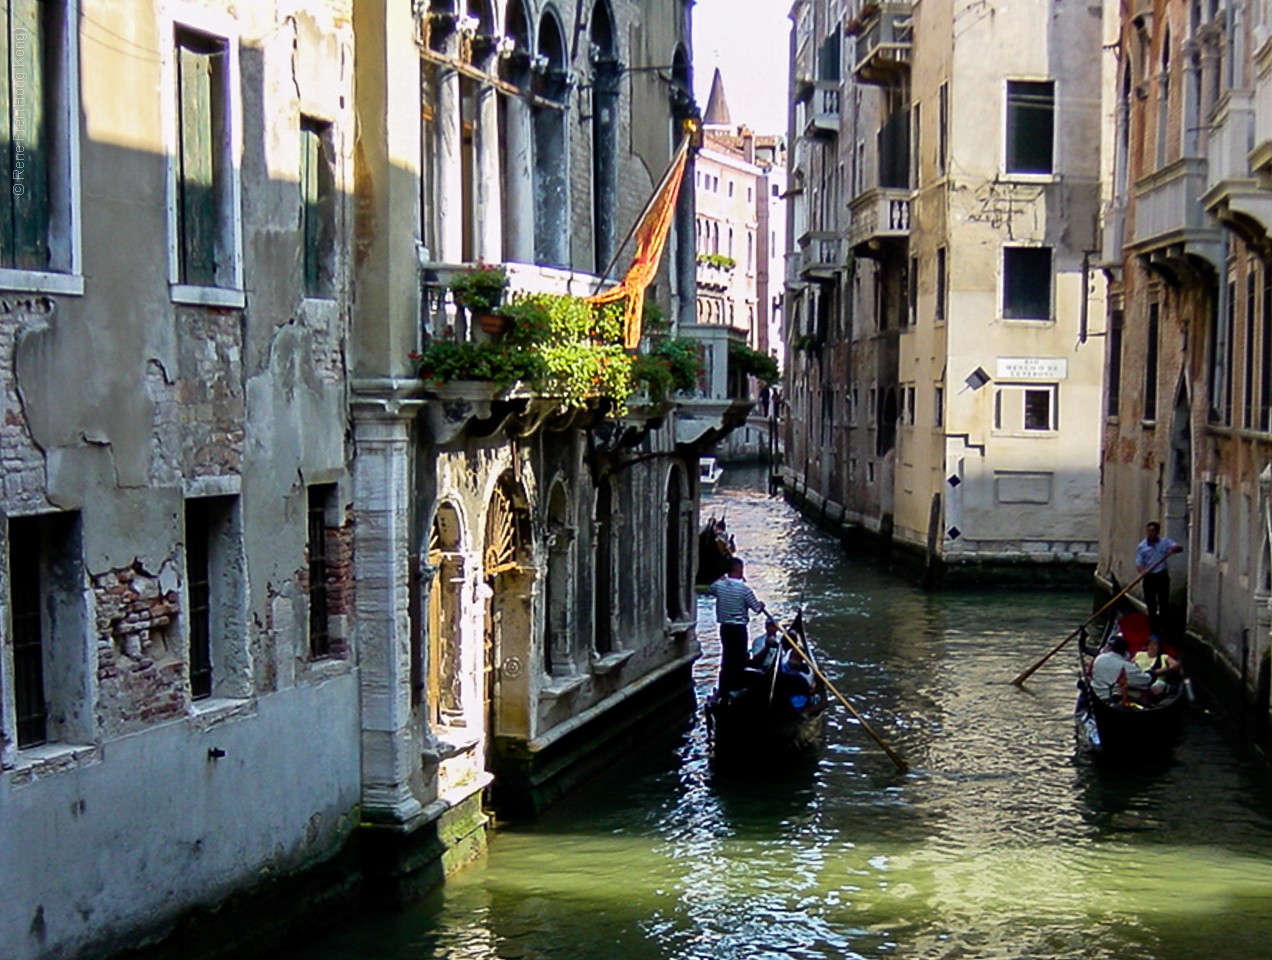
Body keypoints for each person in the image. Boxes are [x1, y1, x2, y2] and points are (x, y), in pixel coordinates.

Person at [707, 557, 766, 693]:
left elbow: (709, 590)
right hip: (739, 630)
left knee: (727, 658)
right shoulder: (744, 590)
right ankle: (735, 688)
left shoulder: (718, 586)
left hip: (725, 629)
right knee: (739, 661)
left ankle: (723, 689)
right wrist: (762, 605)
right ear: (739, 570)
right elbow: (756, 609)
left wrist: (721, 578)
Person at [1136, 521, 1183, 635]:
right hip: (1149, 577)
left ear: (1157, 532)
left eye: (1153, 531)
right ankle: (1153, 631)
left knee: (1164, 604)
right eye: (1149, 531)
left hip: (1161, 576)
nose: (1150, 533)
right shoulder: (1142, 547)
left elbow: (1179, 548)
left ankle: (1165, 630)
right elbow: (1139, 563)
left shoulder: (1165, 542)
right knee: (1151, 606)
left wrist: (1175, 549)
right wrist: (1143, 572)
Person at [1092, 635, 1164, 702]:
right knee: (1147, 692)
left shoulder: (1098, 658)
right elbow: (1146, 681)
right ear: (1125, 652)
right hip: (1112, 699)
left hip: (1096, 694)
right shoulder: (1126, 666)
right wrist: (1153, 672)